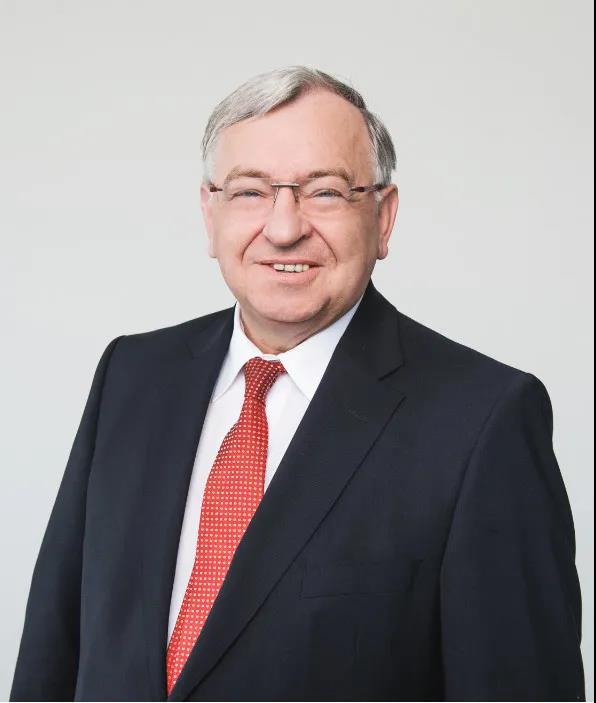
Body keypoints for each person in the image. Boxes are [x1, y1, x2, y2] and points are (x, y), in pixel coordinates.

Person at [10, 66, 585, 702]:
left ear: (383, 217)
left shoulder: (483, 420)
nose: (284, 229)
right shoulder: (132, 375)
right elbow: (53, 652)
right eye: (250, 192)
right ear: (210, 212)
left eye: (326, 193)